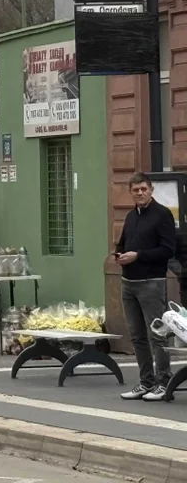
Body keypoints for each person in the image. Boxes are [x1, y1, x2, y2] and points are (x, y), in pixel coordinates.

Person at [117, 172, 177, 401]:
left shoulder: (162, 215)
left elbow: (167, 250)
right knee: (137, 336)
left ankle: (163, 382)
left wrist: (138, 256)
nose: (140, 193)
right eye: (135, 190)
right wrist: (119, 254)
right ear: (130, 192)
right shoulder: (131, 216)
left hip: (151, 283)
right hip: (128, 283)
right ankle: (146, 382)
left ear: (151, 190)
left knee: (157, 335)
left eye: (144, 189)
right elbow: (123, 243)